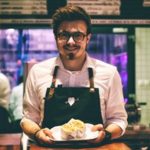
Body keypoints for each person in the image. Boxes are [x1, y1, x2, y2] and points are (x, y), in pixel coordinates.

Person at [20, 5, 127, 145]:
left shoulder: (109, 73)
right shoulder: (38, 72)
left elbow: (118, 119)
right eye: (64, 35)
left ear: (88, 38)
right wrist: (38, 133)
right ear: (56, 37)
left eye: (78, 35)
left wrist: (105, 134)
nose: (71, 41)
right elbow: (28, 119)